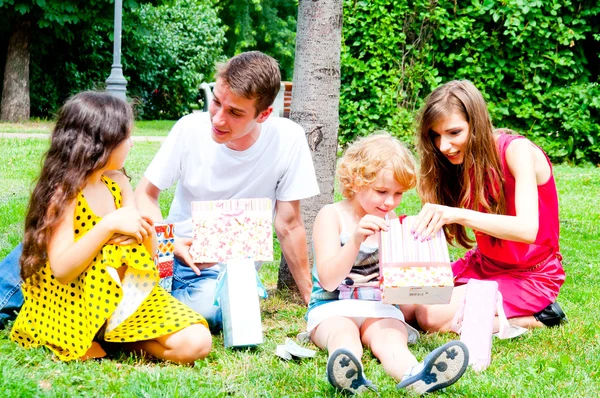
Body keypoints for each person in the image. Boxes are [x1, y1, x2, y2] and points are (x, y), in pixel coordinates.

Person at [10, 91, 212, 363]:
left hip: (126, 298)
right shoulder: (65, 193)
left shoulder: (118, 183)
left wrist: (147, 232)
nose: (132, 143)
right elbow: (62, 270)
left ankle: (116, 341)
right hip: (73, 303)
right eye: (126, 137)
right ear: (99, 144)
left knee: (197, 342)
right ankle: (100, 336)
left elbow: (148, 253)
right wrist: (108, 226)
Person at [134, 51, 319, 331]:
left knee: (213, 309)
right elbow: (145, 194)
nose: (218, 119)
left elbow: (289, 224)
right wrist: (165, 242)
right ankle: (156, 297)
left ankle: (154, 303)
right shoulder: (189, 129)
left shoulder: (288, 139)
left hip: (231, 274)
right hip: (174, 258)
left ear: (264, 114)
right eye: (216, 103)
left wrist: (312, 301)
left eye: (234, 112)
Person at [307, 134, 469, 395]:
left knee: (391, 339)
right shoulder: (331, 216)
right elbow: (327, 280)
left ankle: (417, 376)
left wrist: (420, 276)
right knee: (343, 334)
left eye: (398, 194)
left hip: (379, 306)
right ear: (356, 181)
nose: (390, 202)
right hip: (333, 306)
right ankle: (349, 373)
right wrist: (356, 240)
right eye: (382, 192)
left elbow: (396, 281)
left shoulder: (390, 218)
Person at [403, 80, 567, 332]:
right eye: (435, 135)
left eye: (454, 133)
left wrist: (456, 214)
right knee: (407, 303)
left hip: (530, 275)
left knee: (430, 317)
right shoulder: (458, 160)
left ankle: (539, 317)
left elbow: (527, 229)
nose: (443, 146)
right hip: (485, 264)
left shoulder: (516, 150)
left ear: (476, 123)